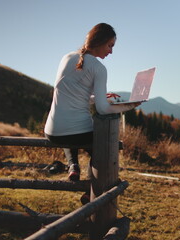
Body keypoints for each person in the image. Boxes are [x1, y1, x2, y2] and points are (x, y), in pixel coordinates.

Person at [44, 23, 140, 182]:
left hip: (52, 133)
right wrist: (130, 105)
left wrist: (100, 97)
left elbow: (75, 97)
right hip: (77, 134)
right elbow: (102, 109)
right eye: (110, 45)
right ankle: (92, 189)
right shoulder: (99, 68)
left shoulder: (66, 57)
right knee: (104, 147)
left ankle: (73, 165)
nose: (111, 51)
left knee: (70, 132)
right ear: (100, 41)